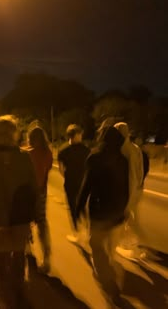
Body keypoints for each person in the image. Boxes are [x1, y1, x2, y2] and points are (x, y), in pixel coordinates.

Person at [0, 115, 38, 308]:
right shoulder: (24, 157)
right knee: (19, 255)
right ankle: (19, 291)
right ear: (14, 134)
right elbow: (32, 189)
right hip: (20, 218)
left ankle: (3, 298)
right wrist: (33, 215)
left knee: (0, 259)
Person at [76, 127, 130, 308]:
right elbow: (126, 188)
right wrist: (124, 211)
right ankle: (112, 275)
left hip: (100, 212)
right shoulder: (123, 160)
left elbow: (86, 186)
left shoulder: (94, 158)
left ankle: (111, 287)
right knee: (108, 249)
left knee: (97, 249)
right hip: (117, 214)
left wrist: (78, 209)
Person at [114, 122, 145, 259]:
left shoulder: (124, 150)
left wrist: (129, 198)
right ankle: (131, 246)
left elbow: (132, 175)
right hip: (136, 190)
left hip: (128, 192)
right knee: (129, 219)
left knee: (126, 218)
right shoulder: (135, 148)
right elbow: (140, 173)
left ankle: (133, 249)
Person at [27, 126, 53, 273]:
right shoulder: (48, 153)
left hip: (28, 194)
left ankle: (29, 253)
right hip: (42, 192)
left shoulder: (27, 154)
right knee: (42, 224)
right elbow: (47, 171)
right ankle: (47, 257)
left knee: (26, 223)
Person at [58, 124, 89, 242]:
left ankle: (78, 233)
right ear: (74, 135)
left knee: (73, 207)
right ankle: (84, 231)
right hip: (81, 183)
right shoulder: (85, 149)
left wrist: (68, 176)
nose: (81, 136)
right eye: (79, 134)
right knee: (80, 207)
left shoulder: (63, 150)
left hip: (71, 183)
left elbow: (61, 169)